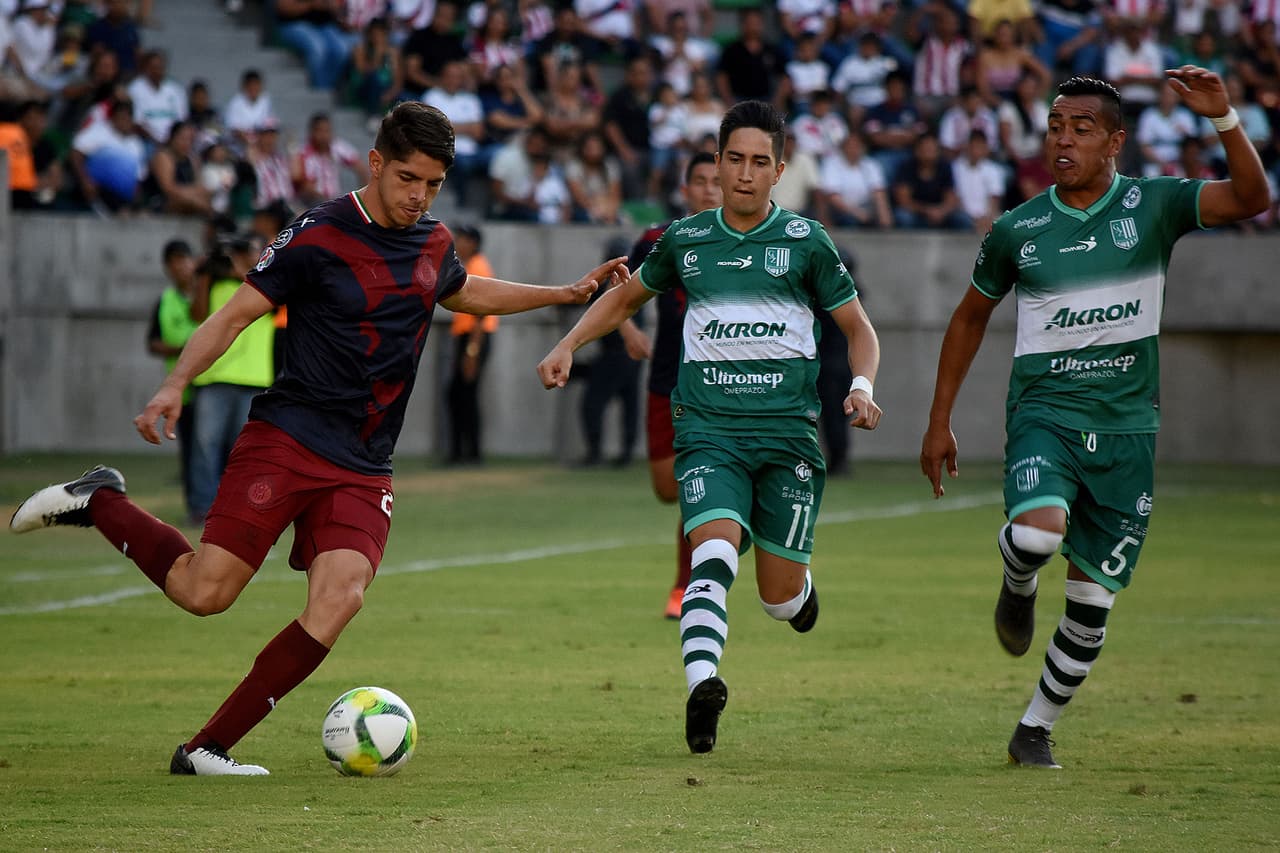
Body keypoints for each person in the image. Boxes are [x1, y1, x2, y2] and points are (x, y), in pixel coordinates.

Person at [9, 102, 628, 776]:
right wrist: (175, 383)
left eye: (433, 184)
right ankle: (101, 499)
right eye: (407, 178)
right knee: (204, 592)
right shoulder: (318, 233)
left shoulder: (433, 240)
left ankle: (207, 747)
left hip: (365, 462)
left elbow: (463, 290)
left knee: (342, 596)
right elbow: (237, 313)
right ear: (375, 163)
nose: (418, 196)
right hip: (289, 437)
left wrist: (565, 293)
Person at [919, 71, 1270, 769]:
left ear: (1115, 141)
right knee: (1036, 534)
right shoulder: (1019, 228)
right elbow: (968, 317)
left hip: (1129, 430)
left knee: (1091, 603)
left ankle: (1034, 728)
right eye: (1055, 126)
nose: (1063, 140)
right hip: (1046, 414)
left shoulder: (1156, 204)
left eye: (1081, 128)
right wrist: (940, 420)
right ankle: (1017, 585)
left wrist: (1225, 119)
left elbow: (1254, 199)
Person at [538, 101, 883, 754]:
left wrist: (862, 387)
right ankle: (703, 686)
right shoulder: (686, 242)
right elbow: (623, 297)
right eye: (734, 160)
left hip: (788, 441)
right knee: (713, 551)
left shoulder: (807, 243)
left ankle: (798, 594)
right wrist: (568, 344)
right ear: (716, 164)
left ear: (779, 169)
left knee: (779, 600)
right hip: (709, 433)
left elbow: (858, 329)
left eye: (760, 162)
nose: (745, 174)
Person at [620, 151, 722, 618]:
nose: (708, 190)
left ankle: (685, 588)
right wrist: (628, 328)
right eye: (700, 181)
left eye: (716, 182)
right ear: (685, 189)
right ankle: (728, 507)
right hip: (665, 380)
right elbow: (619, 289)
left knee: (699, 485)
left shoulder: (741, 245)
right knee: (668, 489)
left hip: (719, 386)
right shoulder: (658, 239)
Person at [186, 237, 275, 525]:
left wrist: (241, 270)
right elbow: (197, 314)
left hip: (253, 377)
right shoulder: (216, 283)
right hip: (215, 376)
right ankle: (203, 508)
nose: (239, 258)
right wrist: (203, 275)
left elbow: (275, 304)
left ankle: (239, 509)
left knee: (244, 452)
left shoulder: (267, 283)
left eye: (245, 252)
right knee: (205, 446)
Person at [146, 239, 206, 517]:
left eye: (184, 259)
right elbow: (153, 342)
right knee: (192, 449)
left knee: (216, 446)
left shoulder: (208, 291)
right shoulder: (165, 300)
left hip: (213, 380)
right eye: (174, 261)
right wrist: (183, 350)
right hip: (183, 390)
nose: (181, 266)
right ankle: (196, 506)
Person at [444, 224, 497, 465]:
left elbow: (481, 313)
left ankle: (469, 453)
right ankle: (462, 452)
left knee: (465, 394)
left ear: (473, 243)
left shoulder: (478, 267)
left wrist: (472, 352)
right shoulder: (470, 265)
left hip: (474, 339)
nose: (458, 243)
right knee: (459, 395)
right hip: (468, 339)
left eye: (462, 239)